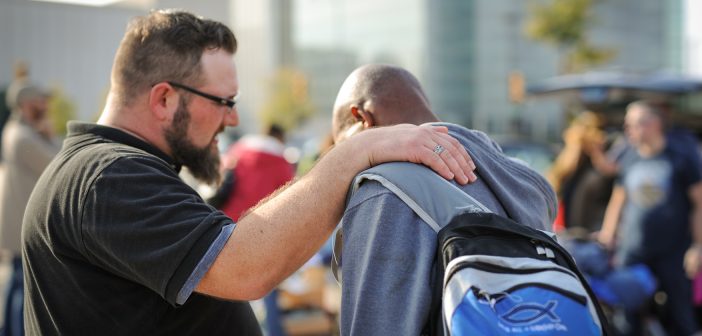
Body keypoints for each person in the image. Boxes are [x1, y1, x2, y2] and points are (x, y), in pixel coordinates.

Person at [21, 9, 476, 335]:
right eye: (224, 102)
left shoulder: (111, 171)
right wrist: (358, 150)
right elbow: (246, 268)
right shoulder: (107, 177)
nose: (233, 120)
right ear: (164, 99)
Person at [330, 64, 557, 335]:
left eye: (341, 148)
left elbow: (377, 325)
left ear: (361, 118)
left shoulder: (383, 191)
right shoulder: (523, 180)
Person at [598, 100, 702, 336]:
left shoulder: (681, 158)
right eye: (627, 124)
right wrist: (607, 235)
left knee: (680, 317)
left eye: (633, 124)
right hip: (633, 251)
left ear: (654, 124)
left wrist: (698, 246)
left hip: (674, 252)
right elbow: (618, 201)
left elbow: (699, 204)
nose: (628, 130)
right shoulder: (629, 158)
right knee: (627, 319)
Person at [0, 84, 58, 336]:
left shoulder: (21, 132)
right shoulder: (23, 137)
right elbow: (61, 163)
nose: (45, 106)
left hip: (20, 226)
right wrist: (51, 136)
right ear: (25, 105)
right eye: (40, 101)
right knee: (23, 290)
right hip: (23, 228)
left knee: (17, 284)